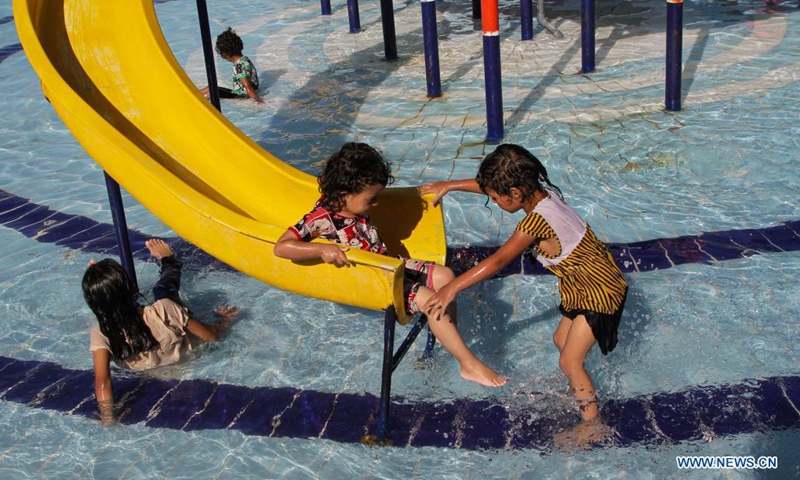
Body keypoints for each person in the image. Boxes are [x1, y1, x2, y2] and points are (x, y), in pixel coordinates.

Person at [420, 144, 628, 427]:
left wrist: (451, 288)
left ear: (515, 193)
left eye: (495, 197)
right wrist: (451, 185)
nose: (493, 201)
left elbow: (497, 261)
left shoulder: (536, 222)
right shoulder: (544, 194)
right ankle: (579, 389)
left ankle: (592, 426)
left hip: (599, 291)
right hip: (585, 282)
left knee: (570, 362)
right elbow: (492, 187)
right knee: (561, 341)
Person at [274, 143, 508, 387]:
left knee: (444, 275)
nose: (375, 204)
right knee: (430, 300)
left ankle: (447, 338)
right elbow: (282, 246)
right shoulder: (321, 219)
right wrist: (321, 249)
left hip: (390, 266)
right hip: (376, 281)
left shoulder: (352, 204)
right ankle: (468, 364)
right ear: (344, 194)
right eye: (371, 199)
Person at [83, 239, 238, 425]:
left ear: (93, 305)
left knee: (145, 292)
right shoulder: (164, 309)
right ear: (133, 287)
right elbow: (212, 336)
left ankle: (106, 286)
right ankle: (168, 260)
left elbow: (103, 382)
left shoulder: (101, 333)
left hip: (151, 372)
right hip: (190, 361)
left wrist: (108, 418)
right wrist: (226, 320)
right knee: (163, 289)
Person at [199, 27, 262, 104]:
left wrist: (257, 101)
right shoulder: (245, 59)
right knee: (212, 88)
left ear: (224, 54)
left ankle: (194, 101)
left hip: (242, 96)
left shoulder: (239, 67)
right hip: (241, 93)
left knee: (211, 93)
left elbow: (247, 86)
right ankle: (193, 93)